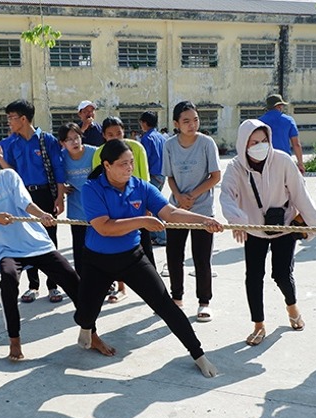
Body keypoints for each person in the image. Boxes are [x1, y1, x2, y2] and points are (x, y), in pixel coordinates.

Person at [0, 135, 113, 360]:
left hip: (35, 243)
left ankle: (92, 334)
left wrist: (42, 215)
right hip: (7, 250)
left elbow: (26, 203)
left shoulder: (9, 176)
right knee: (8, 281)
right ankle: (14, 341)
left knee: (72, 279)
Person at [75, 139, 221, 378]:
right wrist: (143, 221)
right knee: (85, 312)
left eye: (131, 163)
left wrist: (202, 220)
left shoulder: (141, 187)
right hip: (96, 260)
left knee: (166, 305)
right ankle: (87, 329)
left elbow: (170, 212)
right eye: (123, 164)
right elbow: (104, 227)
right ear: (107, 165)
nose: (129, 168)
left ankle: (198, 354)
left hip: (131, 257)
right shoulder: (92, 188)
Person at [220, 119, 316, 346]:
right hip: (255, 228)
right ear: (243, 144)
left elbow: (300, 194)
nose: (260, 145)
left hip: (284, 225)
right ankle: (258, 324)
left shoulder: (283, 161)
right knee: (254, 277)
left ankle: (292, 307)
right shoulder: (236, 167)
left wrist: (314, 224)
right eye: (254, 142)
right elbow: (226, 195)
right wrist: (237, 220)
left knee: (281, 274)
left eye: (264, 141)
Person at [0, 100, 66, 302]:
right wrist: (0, 160)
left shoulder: (46, 140)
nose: (9, 122)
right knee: (27, 240)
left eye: (12, 117)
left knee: (49, 239)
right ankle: (33, 286)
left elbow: (58, 169)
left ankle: (53, 285)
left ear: (24, 119)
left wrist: (59, 198)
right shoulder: (10, 144)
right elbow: (10, 175)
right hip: (23, 197)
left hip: (45, 195)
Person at [162, 101, 221, 321]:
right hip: (176, 210)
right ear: (176, 123)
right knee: (174, 255)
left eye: (195, 120)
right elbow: (169, 176)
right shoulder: (169, 145)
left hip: (202, 209)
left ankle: (204, 302)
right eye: (186, 121)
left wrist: (192, 196)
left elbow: (215, 176)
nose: (192, 125)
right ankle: (176, 297)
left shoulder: (207, 143)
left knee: (202, 258)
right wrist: (178, 197)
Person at [91, 116, 152, 303]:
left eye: (119, 133)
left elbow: (144, 177)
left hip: (137, 206)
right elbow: (98, 183)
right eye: (110, 134)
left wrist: (147, 205)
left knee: (145, 248)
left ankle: (154, 291)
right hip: (113, 210)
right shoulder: (99, 153)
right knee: (115, 248)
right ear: (103, 136)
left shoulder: (137, 148)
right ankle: (120, 287)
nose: (115, 137)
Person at [58, 123, 98, 275]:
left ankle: (106, 282)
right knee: (80, 249)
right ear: (62, 143)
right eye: (69, 139)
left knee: (99, 247)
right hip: (77, 210)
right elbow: (56, 176)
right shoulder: (61, 158)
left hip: (96, 209)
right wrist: (62, 188)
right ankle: (82, 281)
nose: (74, 142)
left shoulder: (94, 153)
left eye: (77, 138)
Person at [139, 110, 168, 246]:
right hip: (162, 174)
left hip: (152, 175)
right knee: (155, 203)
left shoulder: (146, 138)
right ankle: (154, 234)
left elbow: (145, 160)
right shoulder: (162, 137)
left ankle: (162, 236)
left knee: (153, 206)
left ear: (144, 123)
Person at [259, 94, 305, 174]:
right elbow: (296, 144)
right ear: (279, 106)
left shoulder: (259, 122)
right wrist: (300, 163)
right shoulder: (288, 120)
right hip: (284, 159)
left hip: (265, 159)